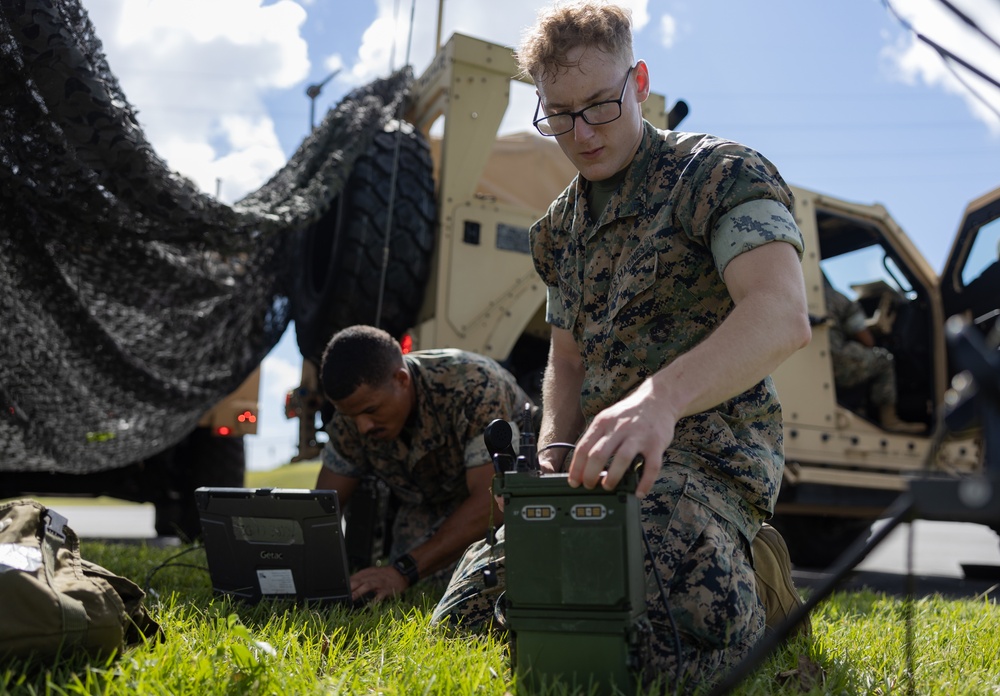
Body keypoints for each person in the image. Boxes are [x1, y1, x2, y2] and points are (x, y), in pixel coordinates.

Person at [432, 1, 813, 688]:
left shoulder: (718, 176)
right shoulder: (558, 229)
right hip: (597, 467)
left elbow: (782, 313)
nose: (582, 132)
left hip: (704, 458)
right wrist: (552, 453)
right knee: (469, 621)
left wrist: (659, 401)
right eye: (559, 115)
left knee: (651, 643)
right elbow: (567, 359)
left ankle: (756, 571)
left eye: (601, 106)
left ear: (638, 82)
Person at [315, 325, 532, 602]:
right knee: (425, 581)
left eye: (371, 411)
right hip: (435, 501)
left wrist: (402, 571)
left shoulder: (472, 383)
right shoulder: (356, 414)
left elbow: (493, 503)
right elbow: (322, 507)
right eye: (351, 416)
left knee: (482, 582)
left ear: (401, 380)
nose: (362, 427)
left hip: (512, 499)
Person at [823, 278, 924, 434]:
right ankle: (889, 420)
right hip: (836, 364)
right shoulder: (839, 299)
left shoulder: (801, 296)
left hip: (815, 368)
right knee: (883, 359)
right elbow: (867, 340)